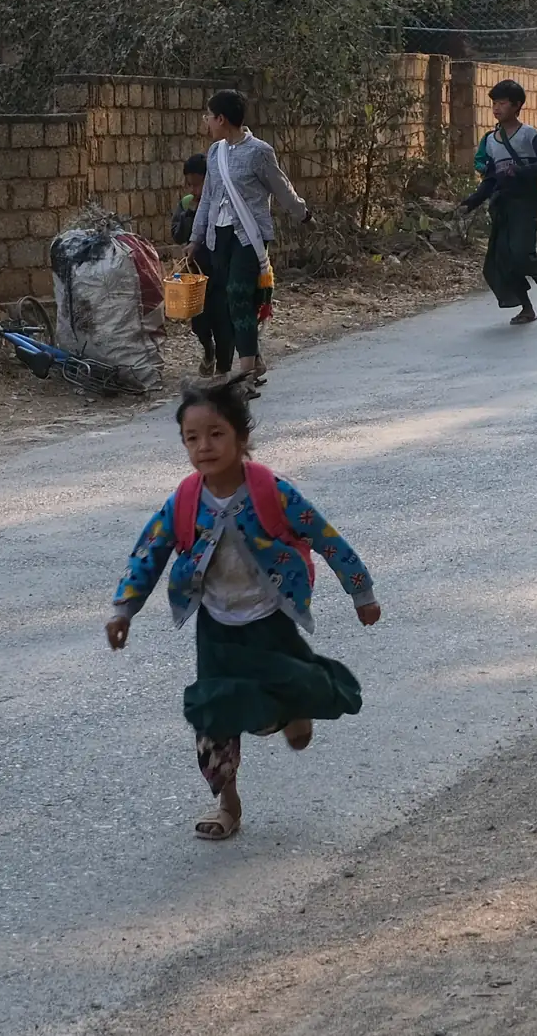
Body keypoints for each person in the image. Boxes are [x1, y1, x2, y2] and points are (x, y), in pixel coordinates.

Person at [107, 378, 379, 842]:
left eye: (216, 434)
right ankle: (227, 802)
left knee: (290, 684)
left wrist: (361, 592)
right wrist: (123, 609)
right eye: (192, 438)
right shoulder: (185, 501)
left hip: (270, 617)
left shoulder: (271, 491)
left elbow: (326, 537)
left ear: (240, 438)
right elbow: (149, 552)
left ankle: (296, 705)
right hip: (216, 623)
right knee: (214, 710)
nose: (203, 446)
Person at [190, 89, 312, 387]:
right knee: (230, 301)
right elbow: (207, 198)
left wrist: (302, 213)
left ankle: (244, 373)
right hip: (219, 236)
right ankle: (254, 360)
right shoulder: (215, 153)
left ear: (221, 119)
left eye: (209, 116)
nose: (206, 121)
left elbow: (280, 187)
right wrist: (195, 238)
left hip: (249, 236)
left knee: (238, 294)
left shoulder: (259, 152)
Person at [461, 79, 537, 324]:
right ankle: (526, 307)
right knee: (503, 259)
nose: (496, 108)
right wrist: (471, 202)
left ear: (517, 106)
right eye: (494, 103)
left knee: (520, 253)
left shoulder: (529, 135)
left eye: (502, 103)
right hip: (500, 205)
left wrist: (522, 171)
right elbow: (491, 180)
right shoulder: (491, 141)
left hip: (524, 202)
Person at [169, 153, 213, 370]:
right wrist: (190, 214)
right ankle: (208, 351)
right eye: (190, 185)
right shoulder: (187, 204)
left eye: (198, 184)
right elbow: (177, 235)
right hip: (195, 272)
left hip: (217, 268)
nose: (194, 190)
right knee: (199, 321)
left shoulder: (217, 201)